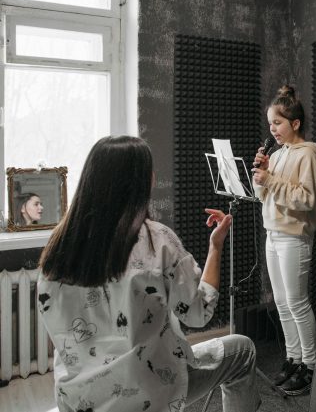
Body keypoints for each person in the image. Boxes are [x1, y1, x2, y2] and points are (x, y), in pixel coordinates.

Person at [37, 136, 261, 412]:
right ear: (140, 181)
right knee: (242, 350)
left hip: (78, 400)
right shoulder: (157, 240)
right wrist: (215, 247)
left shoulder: (58, 248)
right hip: (147, 393)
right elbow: (198, 313)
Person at [251, 85, 316, 396]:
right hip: (273, 233)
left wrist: (270, 180)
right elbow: (263, 196)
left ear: (295, 123)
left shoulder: (308, 154)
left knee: (297, 303)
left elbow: (307, 199)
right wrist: (262, 175)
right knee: (282, 303)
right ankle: (293, 358)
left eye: (278, 123)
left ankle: (310, 365)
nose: (272, 129)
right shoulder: (278, 154)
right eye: (270, 123)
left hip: (294, 236)